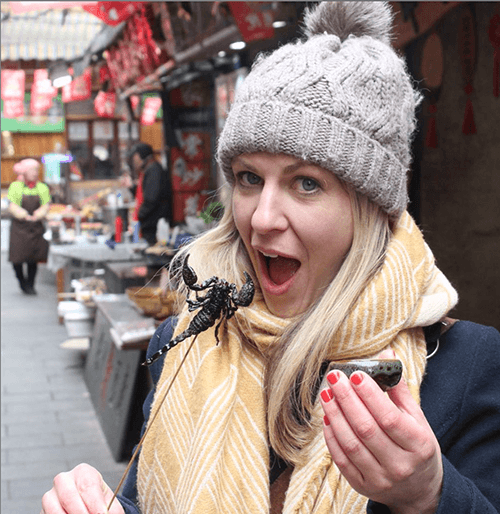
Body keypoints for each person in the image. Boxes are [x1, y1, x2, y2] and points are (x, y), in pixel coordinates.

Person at [41, 3, 500, 514]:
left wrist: (428, 495)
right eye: (248, 178)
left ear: (370, 208)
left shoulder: (465, 365)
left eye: (306, 184)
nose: (262, 219)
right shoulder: (187, 342)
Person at [8, 158, 51, 295]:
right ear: (25, 172)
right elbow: (12, 205)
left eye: (37, 170)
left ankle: (31, 285)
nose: (35, 173)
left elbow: (46, 205)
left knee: (33, 259)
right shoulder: (15, 187)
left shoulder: (42, 187)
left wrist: (38, 214)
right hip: (19, 228)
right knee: (17, 259)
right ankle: (21, 281)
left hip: (35, 228)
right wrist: (23, 214)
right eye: (33, 170)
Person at [121, 142, 171, 246]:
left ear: (142, 157)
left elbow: (151, 199)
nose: (134, 161)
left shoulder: (154, 170)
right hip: (149, 225)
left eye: (135, 157)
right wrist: (131, 187)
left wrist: (138, 218)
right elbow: (145, 193)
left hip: (153, 228)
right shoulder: (149, 170)